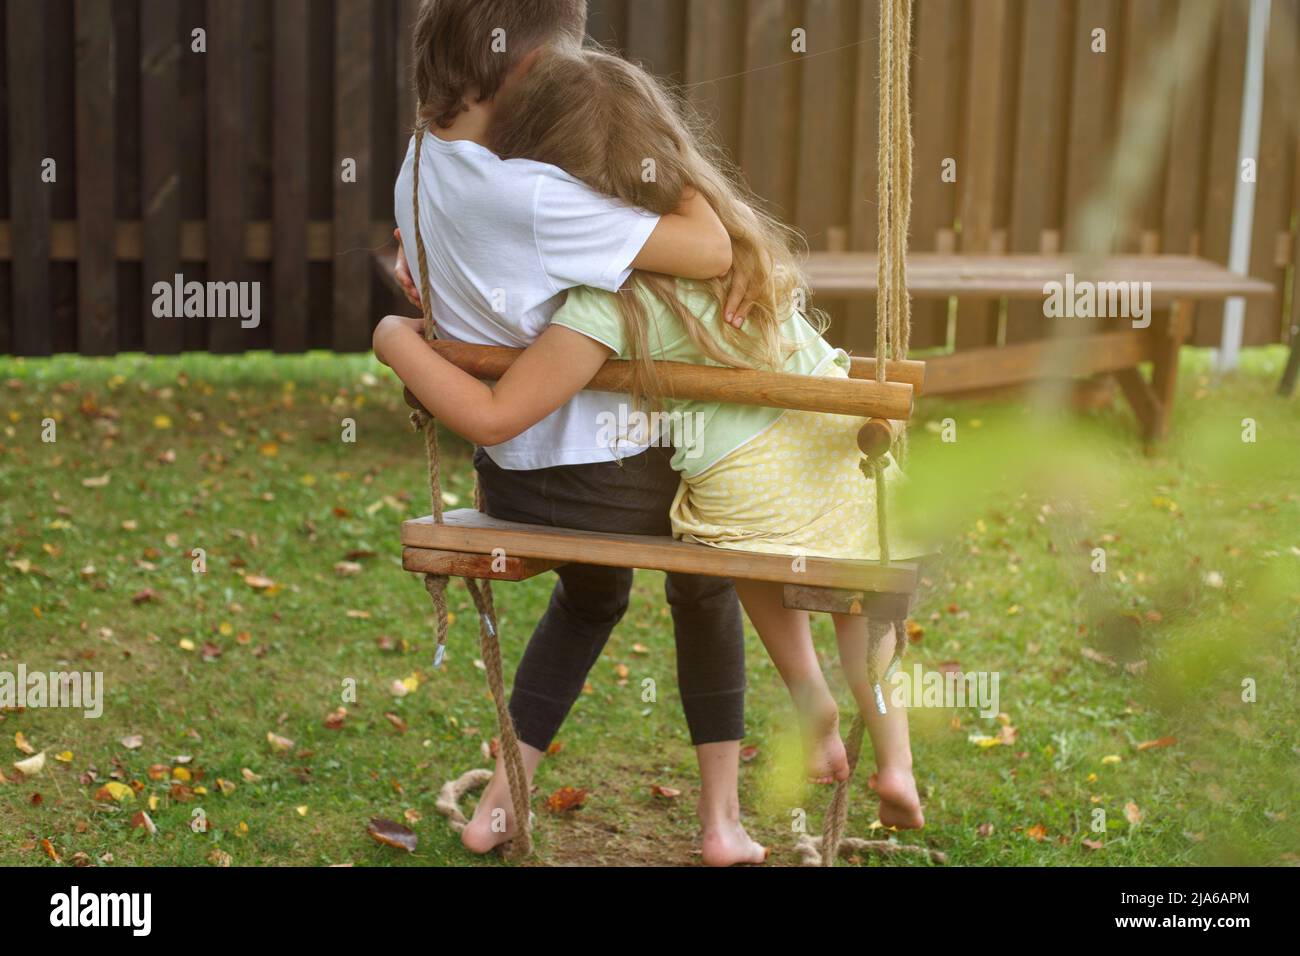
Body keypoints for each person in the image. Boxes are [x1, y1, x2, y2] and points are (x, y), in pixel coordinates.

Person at [377, 46, 924, 832]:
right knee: (808, 593)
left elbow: (501, 402)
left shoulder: (603, 299)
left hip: (689, 480)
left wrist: (398, 328)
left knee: (695, 569)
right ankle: (835, 783)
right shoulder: (747, 262)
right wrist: (680, 169)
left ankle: (801, 702)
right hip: (835, 445)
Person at [390, 0, 766, 864]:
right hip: (605, 478)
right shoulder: (532, 196)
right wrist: (647, 123)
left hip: (514, 476)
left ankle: (498, 804)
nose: (580, 76)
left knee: (595, 591)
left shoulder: (417, 168)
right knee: (706, 572)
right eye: (573, 61)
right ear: (525, 71)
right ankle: (722, 824)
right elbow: (709, 247)